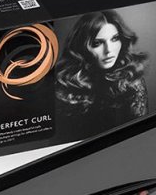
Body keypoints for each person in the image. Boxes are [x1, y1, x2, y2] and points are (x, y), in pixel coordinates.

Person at [55, 10, 148, 138]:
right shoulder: (67, 83)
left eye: (115, 39)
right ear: (82, 46)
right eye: (97, 43)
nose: (109, 50)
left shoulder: (131, 80)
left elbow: (140, 133)